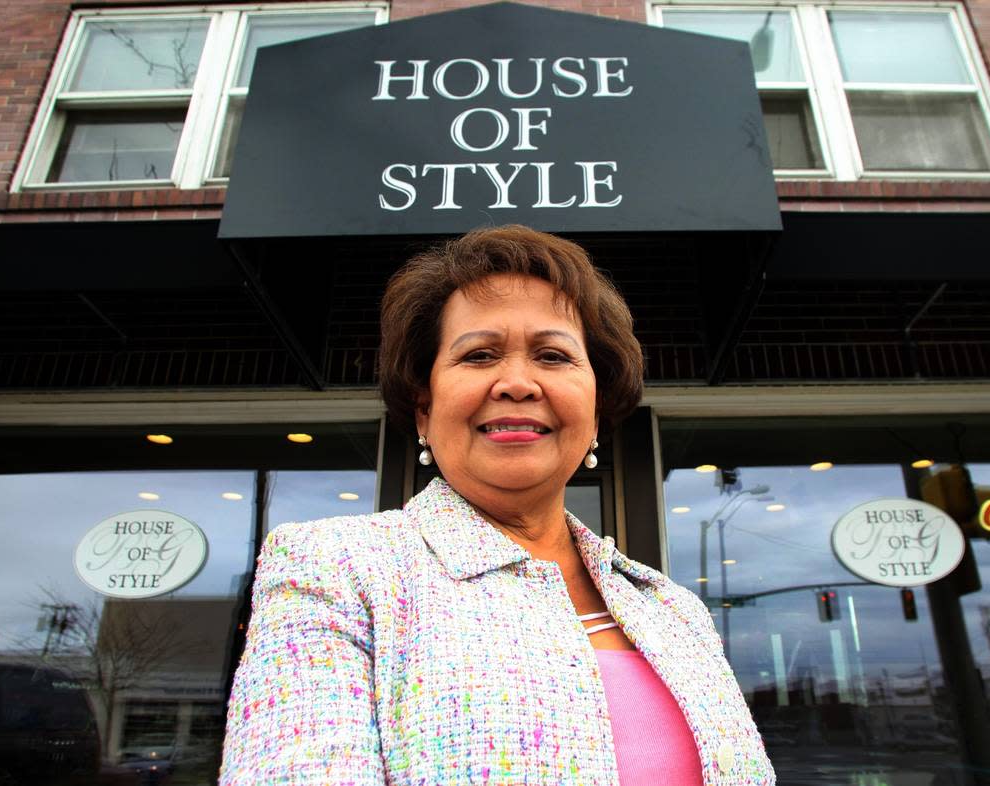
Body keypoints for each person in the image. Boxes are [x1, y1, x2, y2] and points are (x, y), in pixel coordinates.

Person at [219, 225, 774, 785]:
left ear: (596, 406)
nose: (517, 383)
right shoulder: (336, 568)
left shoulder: (675, 610)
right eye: (479, 355)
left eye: (553, 355)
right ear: (423, 408)